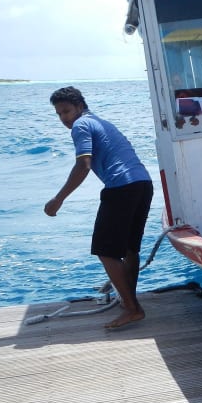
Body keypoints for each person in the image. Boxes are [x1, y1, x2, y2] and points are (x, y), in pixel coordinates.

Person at [45, 86, 154, 330]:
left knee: (105, 251)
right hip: (143, 184)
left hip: (121, 188)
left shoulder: (81, 126)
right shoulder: (101, 122)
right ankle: (130, 302)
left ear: (80, 107)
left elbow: (84, 165)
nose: (64, 118)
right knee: (129, 249)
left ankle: (133, 307)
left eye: (67, 111)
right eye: (59, 114)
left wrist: (59, 198)